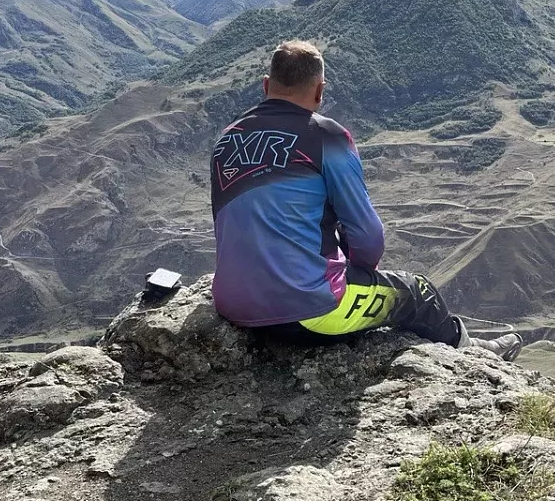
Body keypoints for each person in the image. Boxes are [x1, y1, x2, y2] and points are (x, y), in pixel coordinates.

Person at [209, 39, 522, 358]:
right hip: (307, 311)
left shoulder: (226, 139)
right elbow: (368, 236)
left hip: (232, 306)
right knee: (419, 293)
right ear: (320, 91)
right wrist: (361, 273)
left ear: (266, 85)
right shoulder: (326, 137)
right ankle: (475, 355)